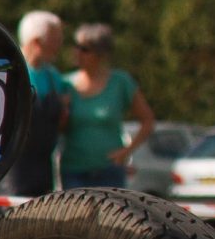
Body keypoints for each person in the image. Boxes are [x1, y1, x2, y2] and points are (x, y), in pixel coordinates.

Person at [60, 22, 155, 190]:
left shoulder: (120, 82)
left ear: (100, 54)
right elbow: (57, 128)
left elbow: (147, 120)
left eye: (84, 49)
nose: (77, 53)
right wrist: (62, 111)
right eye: (76, 47)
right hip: (73, 170)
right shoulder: (65, 84)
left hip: (109, 170)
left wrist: (127, 151)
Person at [7, 10, 69, 199]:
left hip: (44, 164)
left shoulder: (54, 77)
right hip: (12, 165)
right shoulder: (11, 70)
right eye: (55, 39)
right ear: (36, 42)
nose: (59, 46)